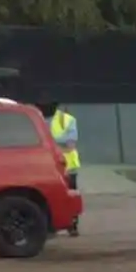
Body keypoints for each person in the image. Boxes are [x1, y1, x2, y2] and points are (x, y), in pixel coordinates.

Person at [41, 101, 80, 236]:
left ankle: (72, 225)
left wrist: (45, 143)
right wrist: (58, 142)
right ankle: (53, 226)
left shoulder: (67, 120)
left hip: (67, 166)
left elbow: (70, 144)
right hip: (46, 166)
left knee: (69, 195)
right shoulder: (35, 118)